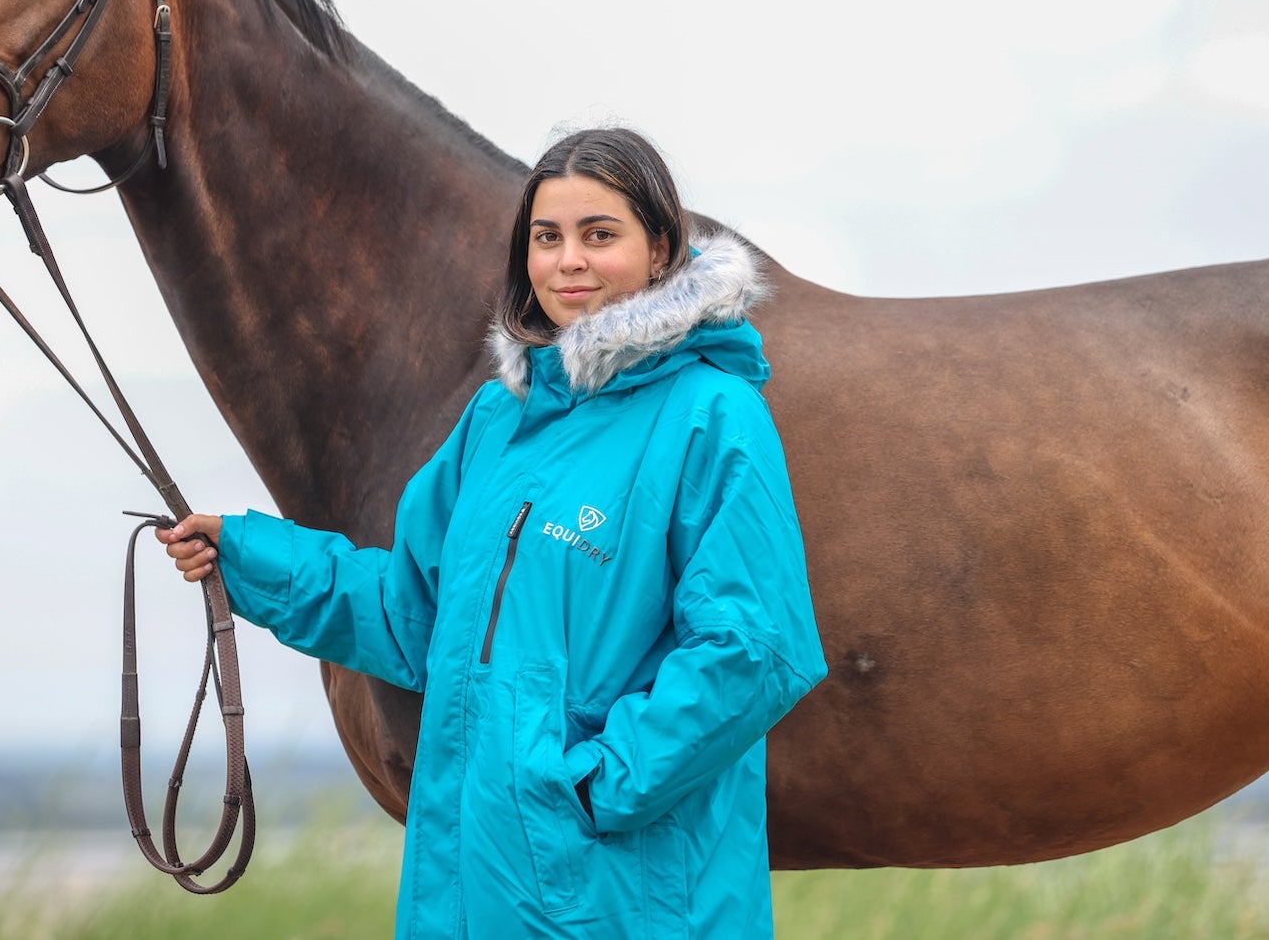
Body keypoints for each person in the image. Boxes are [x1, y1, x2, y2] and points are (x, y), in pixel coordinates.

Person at [158, 127, 827, 939]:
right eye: (546, 238)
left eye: (599, 235)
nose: (567, 261)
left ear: (660, 251)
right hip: (466, 881)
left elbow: (752, 652)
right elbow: (415, 614)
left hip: (619, 896)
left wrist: (586, 787)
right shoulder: (498, 419)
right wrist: (248, 553)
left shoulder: (713, 416)